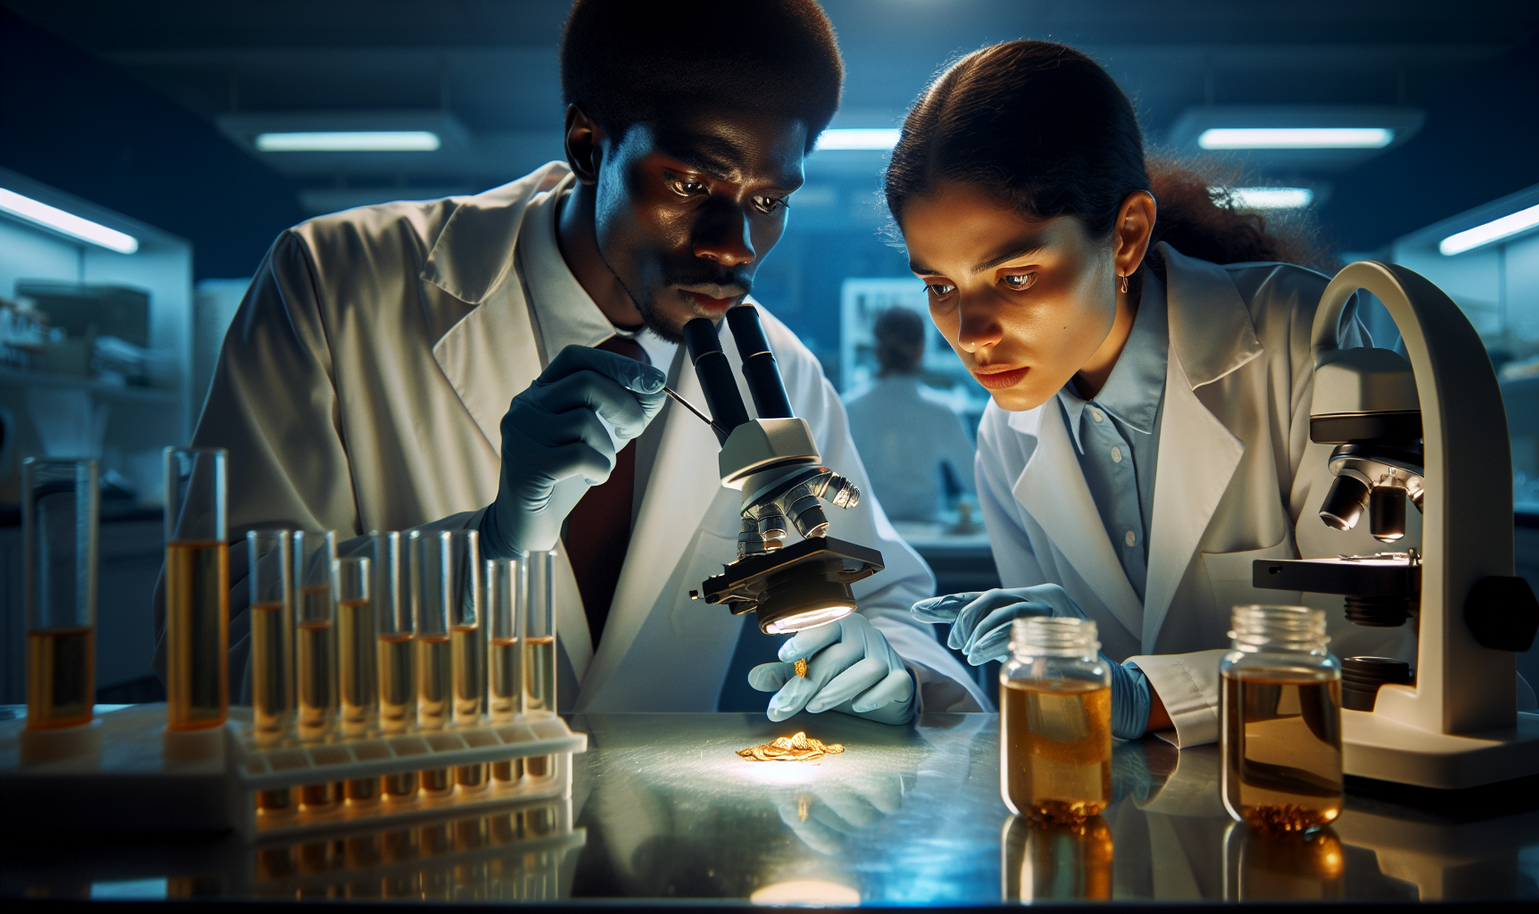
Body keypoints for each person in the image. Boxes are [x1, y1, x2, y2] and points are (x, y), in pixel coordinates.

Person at [156, 0, 986, 723]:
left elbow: (887, 601)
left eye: (768, 202)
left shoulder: (781, 372)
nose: (735, 251)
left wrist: (894, 670)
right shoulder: (335, 282)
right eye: (696, 184)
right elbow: (207, 647)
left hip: (657, 866)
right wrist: (494, 540)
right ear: (589, 143)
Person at [887, 40, 1422, 746]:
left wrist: (1144, 694)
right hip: (1137, 815)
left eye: (1015, 276)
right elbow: (1069, 700)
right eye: (941, 288)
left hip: (1332, 802)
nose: (973, 333)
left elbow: (1387, 646)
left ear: (1128, 237)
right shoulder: (1007, 433)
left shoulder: (1299, 336)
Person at [844, 306, 977, 524]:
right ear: (921, 349)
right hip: (932, 543)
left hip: (871, 537)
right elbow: (975, 483)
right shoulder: (942, 412)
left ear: (877, 349)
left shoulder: (849, 408)